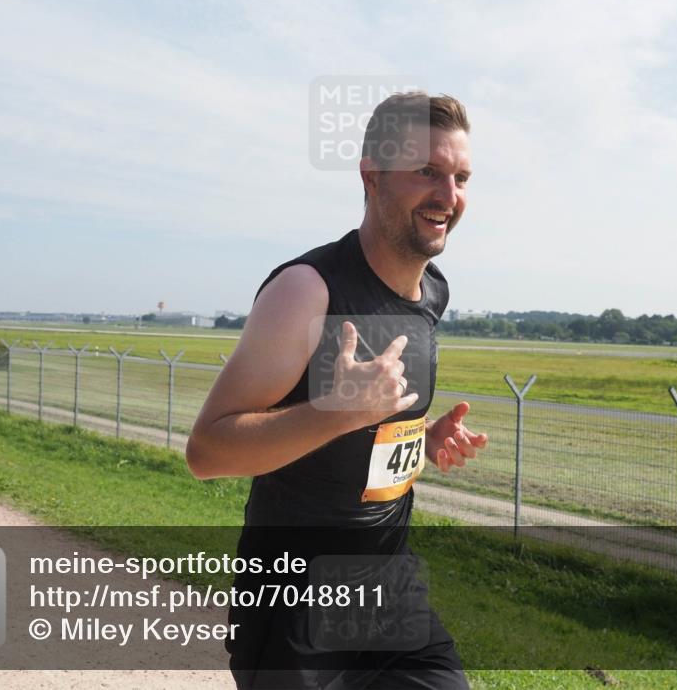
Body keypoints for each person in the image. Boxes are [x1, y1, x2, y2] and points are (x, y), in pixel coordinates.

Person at [186, 91, 489, 690]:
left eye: (459, 177)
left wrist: (420, 439)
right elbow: (207, 452)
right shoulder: (307, 291)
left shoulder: (432, 294)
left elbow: (364, 432)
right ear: (371, 174)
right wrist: (333, 414)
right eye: (426, 172)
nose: (448, 197)